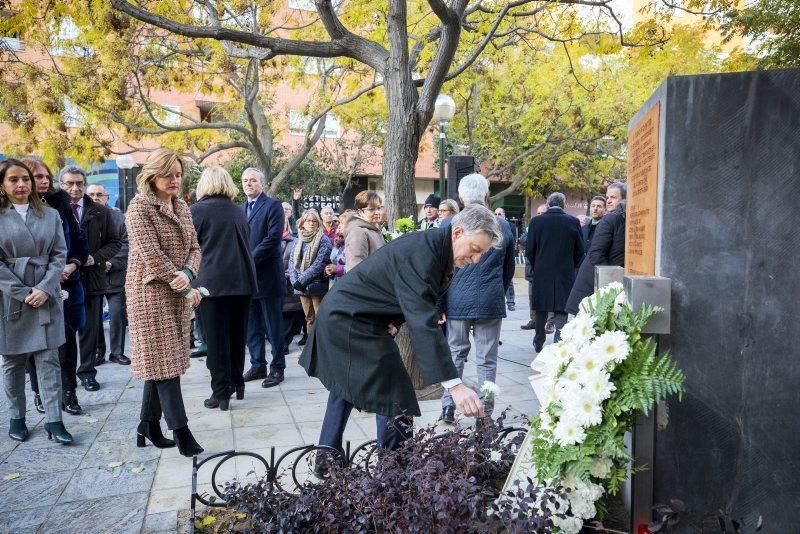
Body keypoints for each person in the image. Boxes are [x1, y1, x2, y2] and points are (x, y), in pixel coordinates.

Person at [301, 204, 501, 461]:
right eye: (475, 250)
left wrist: (392, 319)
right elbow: (422, 322)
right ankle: (395, 469)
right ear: (458, 232)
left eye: (481, 254)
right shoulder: (426, 252)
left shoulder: (435, 247)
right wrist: (455, 385)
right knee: (396, 395)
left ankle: (326, 460)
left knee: (344, 388)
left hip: (350, 315)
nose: (476, 260)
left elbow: (403, 292)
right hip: (349, 320)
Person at [126, 148, 204, 457]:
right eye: (167, 174)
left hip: (176, 289)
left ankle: (148, 424)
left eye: (178, 174)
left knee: (161, 363)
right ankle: (181, 431)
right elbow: (151, 256)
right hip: (149, 294)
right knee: (166, 364)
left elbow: (195, 247)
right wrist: (185, 287)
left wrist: (187, 273)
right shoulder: (138, 208)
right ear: (152, 175)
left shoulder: (182, 205)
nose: (174, 180)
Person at [0, 159, 73, 444]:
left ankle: (55, 421)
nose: (21, 185)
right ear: (2, 185)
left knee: (49, 360)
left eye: (26, 179)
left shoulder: (50, 214)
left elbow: (59, 255)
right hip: (9, 297)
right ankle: (17, 417)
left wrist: (44, 288)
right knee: (13, 361)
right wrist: (22, 292)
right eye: (13, 179)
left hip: (46, 295)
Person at [439, 174, 515, 424]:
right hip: (490, 300)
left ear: (460, 197)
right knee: (487, 359)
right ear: (486, 194)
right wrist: (499, 291)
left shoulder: (449, 224)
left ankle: (448, 406)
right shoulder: (503, 226)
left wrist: (440, 302)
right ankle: (486, 410)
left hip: (456, 298)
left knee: (455, 354)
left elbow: (438, 269)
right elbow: (508, 269)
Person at [21, 158, 88, 416]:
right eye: (37, 176)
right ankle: (40, 392)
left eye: (46, 176)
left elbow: (79, 241)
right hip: (31, 287)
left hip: (66, 285)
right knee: (33, 343)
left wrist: (72, 264)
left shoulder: (60, 205)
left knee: (67, 341)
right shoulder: (12, 211)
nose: (44, 181)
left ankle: (69, 393)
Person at [191, 166, 257, 410]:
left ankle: (220, 393)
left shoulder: (197, 211)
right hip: (242, 282)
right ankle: (236, 384)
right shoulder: (238, 210)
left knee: (216, 341)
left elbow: (191, 247)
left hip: (212, 284)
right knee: (237, 337)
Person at [58, 165, 122, 393]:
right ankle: (65, 378)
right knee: (64, 332)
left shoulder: (100, 211)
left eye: (79, 183)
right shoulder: (52, 210)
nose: (74, 188)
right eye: (69, 183)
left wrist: (94, 258)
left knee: (89, 329)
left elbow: (115, 242)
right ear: (61, 185)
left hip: (91, 279)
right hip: (62, 280)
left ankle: (87, 373)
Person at [241, 168, 286, 388]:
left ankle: (277, 368)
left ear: (262, 183)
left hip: (267, 276)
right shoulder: (240, 209)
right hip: (247, 279)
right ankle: (258, 365)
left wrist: (248, 259)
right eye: (245, 181)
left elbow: (272, 239)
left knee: (273, 326)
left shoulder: (273, 206)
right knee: (252, 325)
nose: (248, 184)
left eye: (252, 180)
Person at [526, 192, 584, 353]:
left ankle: (539, 339)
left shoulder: (537, 222)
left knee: (541, 308)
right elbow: (580, 251)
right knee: (562, 308)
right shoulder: (573, 221)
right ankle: (560, 340)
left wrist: (538, 264)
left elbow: (530, 249)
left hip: (542, 271)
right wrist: (571, 266)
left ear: (548, 203)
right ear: (564, 203)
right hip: (564, 272)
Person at [86, 183, 130, 366]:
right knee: (94, 318)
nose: (95, 197)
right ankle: (98, 351)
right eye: (92, 194)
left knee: (117, 315)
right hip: (91, 276)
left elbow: (127, 244)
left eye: (99, 194)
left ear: (107, 197)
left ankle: (117, 352)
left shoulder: (119, 218)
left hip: (115, 275)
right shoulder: (83, 217)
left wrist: (112, 263)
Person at [566, 183, 627, 315]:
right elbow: (596, 255)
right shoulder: (610, 219)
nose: (609, 201)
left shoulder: (619, 218)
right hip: (592, 289)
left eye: (613, 197)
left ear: (625, 199)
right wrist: (613, 282)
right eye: (608, 197)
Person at [289, 209, 332, 333]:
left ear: (319, 223)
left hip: (317, 285)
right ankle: (311, 348)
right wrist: (295, 281)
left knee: (321, 319)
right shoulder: (298, 240)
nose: (311, 223)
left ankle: (322, 349)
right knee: (309, 319)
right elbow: (292, 263)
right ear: (303, 223)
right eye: (308, 221)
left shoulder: (323, 240)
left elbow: (319, 265)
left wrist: (300, 281)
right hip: (301, 287)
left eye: (314, 221)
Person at [345, 191, 385, 272]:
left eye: (378, 208)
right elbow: (355, 267)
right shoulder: (358, 232)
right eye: (371, 209)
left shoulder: (373, 229)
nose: (377, 212)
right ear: (360, 212)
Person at [494, 207, 517, 312]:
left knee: (509, 279)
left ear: (504, 214)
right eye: (496, 214)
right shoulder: (492, 226)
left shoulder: (510, 226)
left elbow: (513, 241)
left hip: (506, 255)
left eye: (499, 214)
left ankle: (511, 302)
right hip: (496, 255)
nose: (497, 216)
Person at [580, 195, 606, 263]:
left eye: (599, 206)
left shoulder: (606, 230)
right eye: (593, 206)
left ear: (605, 210)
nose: (595, 208)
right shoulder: (583, 229)